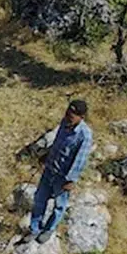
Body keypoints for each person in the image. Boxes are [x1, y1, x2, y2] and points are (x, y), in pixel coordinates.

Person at [29, 98, 94, 243]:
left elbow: (80, 160)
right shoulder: (64, 123)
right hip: (50, 169)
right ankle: (34, 229)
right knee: (39, 199)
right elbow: (57, 142)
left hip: (63, 177)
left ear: (81, 117)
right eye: (67, 112)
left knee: (59, 205)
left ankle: (49, 230)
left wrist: (71, 180)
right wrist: (46, 155)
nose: (68, 117)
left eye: (72, 116)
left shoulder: (85, 135)